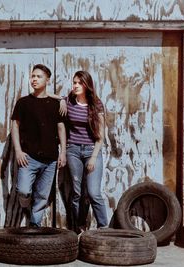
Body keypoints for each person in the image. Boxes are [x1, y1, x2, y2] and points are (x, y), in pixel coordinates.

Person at [11, 64, 66, 227]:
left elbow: (61, 128)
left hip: (50, 159)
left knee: (42, 196)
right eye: (32, 76)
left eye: (38, 76)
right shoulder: (23, 103)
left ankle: (35, 226)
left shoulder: (56, 104)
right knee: (24, 191)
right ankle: (26, 208)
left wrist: (63, 152)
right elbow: (15, 126)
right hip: (28, 158)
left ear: (47, 80)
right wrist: (18, 151)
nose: (34, 79)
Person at [59, 70, 108, 232]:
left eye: (80, 83)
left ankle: (103, 227)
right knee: (76, 193)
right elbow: (50, 96)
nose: (76, 86)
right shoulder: (68, 101)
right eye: (74, 82)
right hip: (73, 150)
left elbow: (101, 136)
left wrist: (93, 157)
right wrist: (60, 100)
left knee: (93, 193)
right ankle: (77, 227)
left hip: (92, 151)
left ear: (87, 85)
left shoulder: (96, 104)